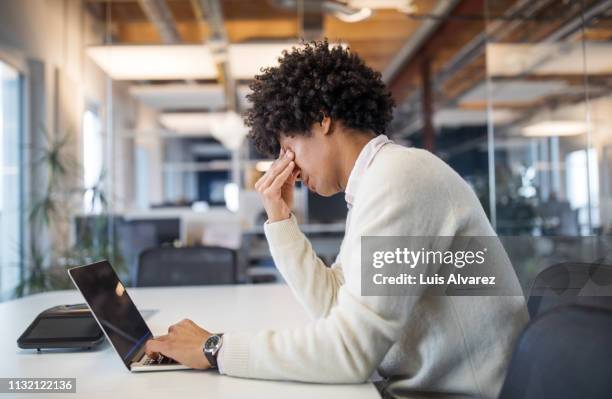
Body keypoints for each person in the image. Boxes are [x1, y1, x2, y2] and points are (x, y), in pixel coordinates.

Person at [145, 40, 529, 398]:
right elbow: (333, 307)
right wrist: (281, 220)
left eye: (287, 146)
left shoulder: (401, 178)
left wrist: (215, 349)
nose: (287, 166)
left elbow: (350, 352)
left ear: (321, 119)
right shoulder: (376, 182)